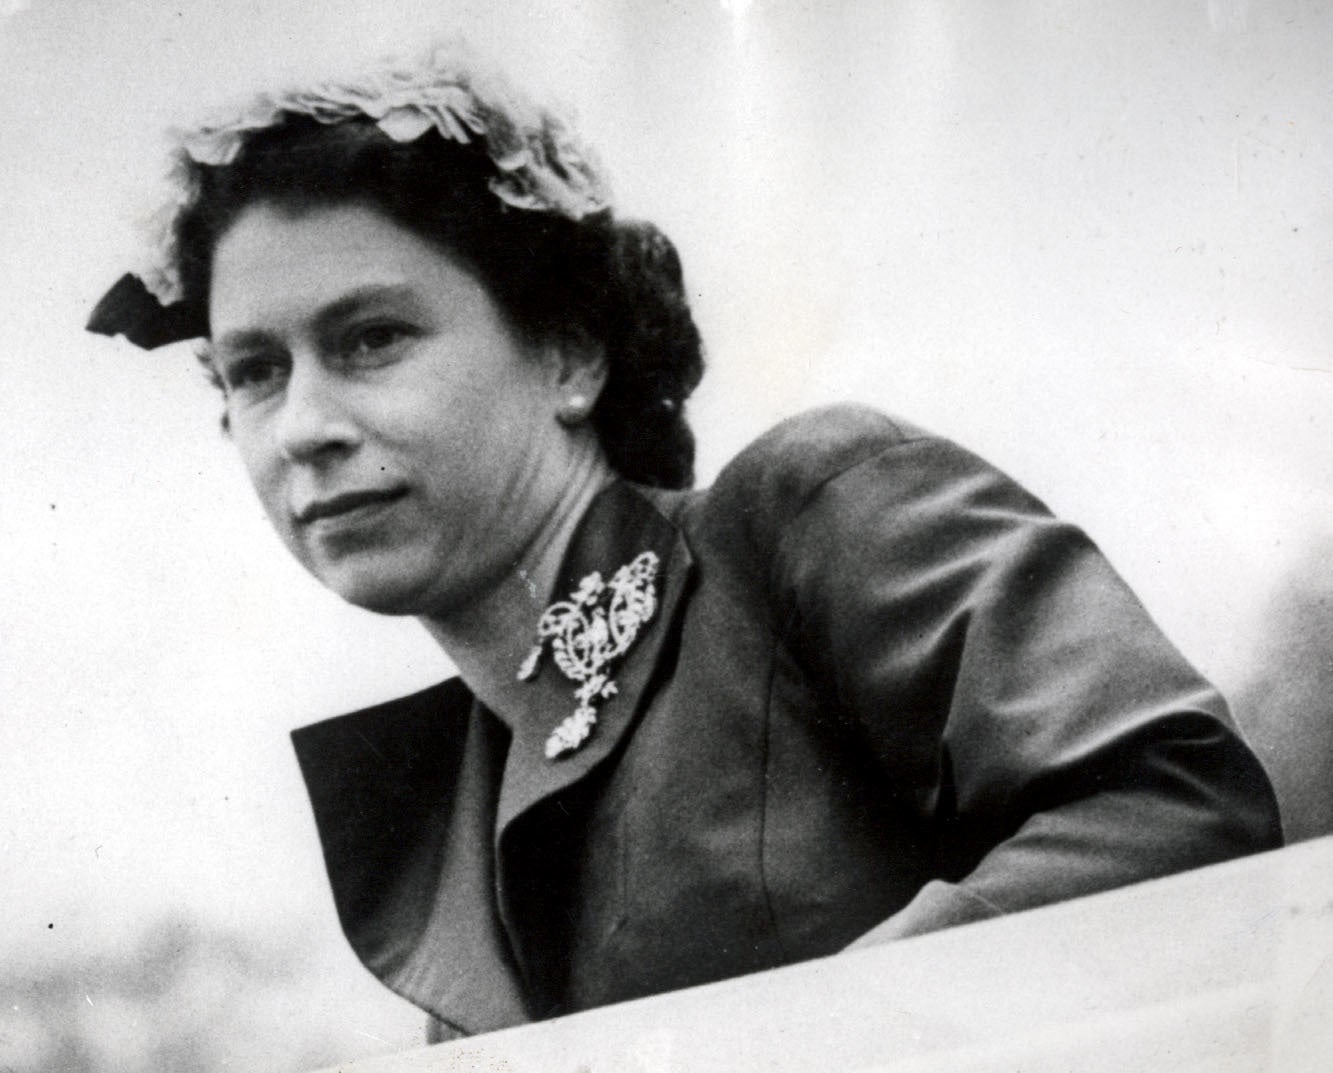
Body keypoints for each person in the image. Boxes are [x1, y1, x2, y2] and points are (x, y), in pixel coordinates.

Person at [88, 46, 1282, 1044]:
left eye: (371, 338)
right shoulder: (449, 829)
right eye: (254, 372)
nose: (303, 428)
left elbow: (1178, 810)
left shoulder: (802, 518)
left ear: (568, 355)